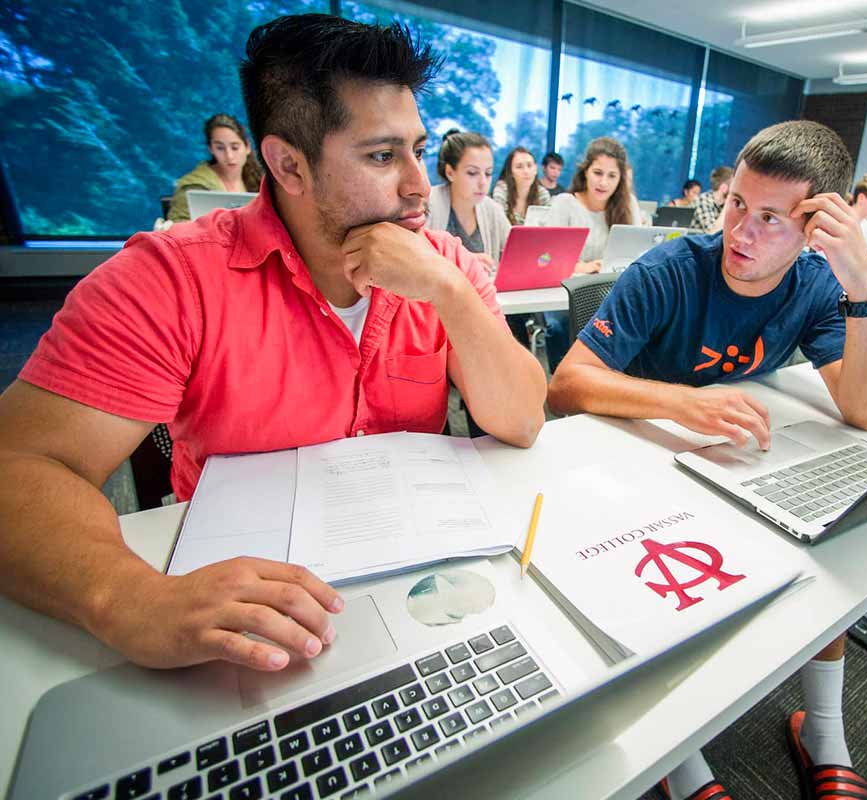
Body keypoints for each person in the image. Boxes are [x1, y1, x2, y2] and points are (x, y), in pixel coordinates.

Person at [0, 13, 548, 673]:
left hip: (425, 589)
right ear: (288, 164)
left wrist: (451, 293)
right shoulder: (171, 278)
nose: (416, 185)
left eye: (418, 150)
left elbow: (521, 420)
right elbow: (20, 465)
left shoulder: (442, 264)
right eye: (381, 156)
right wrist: (129, 597)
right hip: (254, 607)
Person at [550, 120, 867, 800]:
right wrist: (681, 401)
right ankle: (682, 761)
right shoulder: (669, 270)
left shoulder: (821, 286)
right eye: (737, 204)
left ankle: (822, 729)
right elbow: (565, 386)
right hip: (633, 467)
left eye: (770, 218)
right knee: (665, 580)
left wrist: (864, 284)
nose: (742, 232)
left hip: (721, 464)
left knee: (830, 538)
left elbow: (864, 408)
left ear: (816, 227)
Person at [541, 136, 635, 371]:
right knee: (562, 326)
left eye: (612, 176)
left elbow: (635, 255)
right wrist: (585, 267)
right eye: (598, 172)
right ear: (585, 172)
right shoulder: (565, 203)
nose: (603, 182)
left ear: (620, 179)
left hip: (610, 294)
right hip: (563, 294)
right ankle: (564, 390)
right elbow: (546, 260)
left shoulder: (627, 205)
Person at [427, 129, 511, 275]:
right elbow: (412, 259)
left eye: (488, 173)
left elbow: (518, 251)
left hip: (483, 296)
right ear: (450, 172)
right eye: (472, 173)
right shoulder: (428, 204)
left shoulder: (492, 209)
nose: (483, 182)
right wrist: (463, 262)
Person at [166, 113, 264, 222]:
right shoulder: (195, 185)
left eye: (235, 147)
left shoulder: (261, 181)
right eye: (220, 148)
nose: (229, 156)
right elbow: (176, 226)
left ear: (247, 148)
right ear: (211, 149)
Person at [492, 145, 551, 225]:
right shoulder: (502, 190)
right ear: (511, 172)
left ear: (535, 170)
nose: (526, 171)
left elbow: (547, 227)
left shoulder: (542, 194)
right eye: (519, 167)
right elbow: (498, 225)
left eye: (529, 166)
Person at [688, 165, 733, 234]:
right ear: (724, 188)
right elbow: (712, 233)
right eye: (733, 186)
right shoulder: (703, 201)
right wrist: (728, 203)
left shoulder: (721, 205)